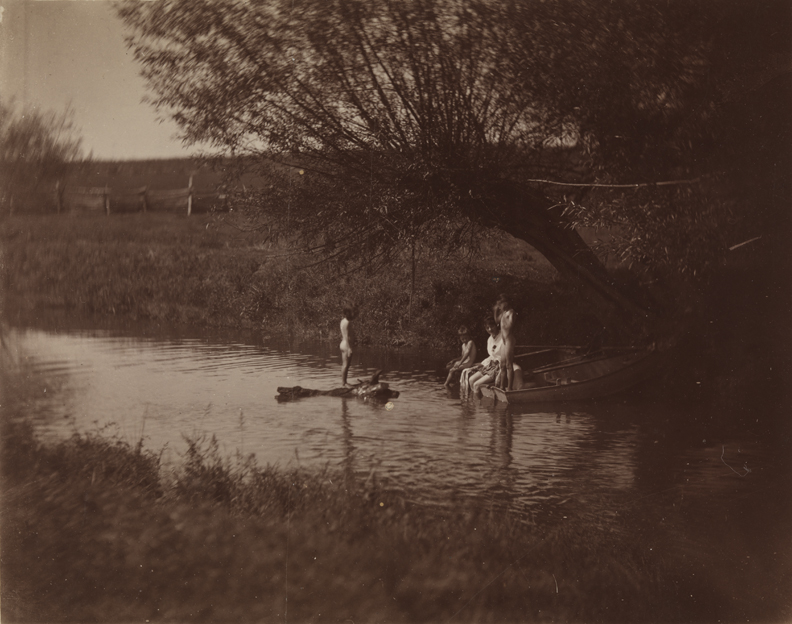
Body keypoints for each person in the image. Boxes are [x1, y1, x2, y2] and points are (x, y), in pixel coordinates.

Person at [463, 318, 502, 395]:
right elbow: (491, 355)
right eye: (487, 328)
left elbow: (504, 357)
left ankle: (477, 401)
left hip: (499, 366)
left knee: (476, 384)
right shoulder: (489, 339)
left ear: (497, 325)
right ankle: (477, 399)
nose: (490, 329)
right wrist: (482, 364)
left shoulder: (503, 337)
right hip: (490, 366)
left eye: (492, 326)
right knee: (471, 379)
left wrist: (501, 372)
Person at [493, 294, 517, 391]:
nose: (499, 307)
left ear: (506, 303)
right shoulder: (503, 313)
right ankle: (502, 386)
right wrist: (496, 311)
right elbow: (496, 321)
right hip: (503, 341)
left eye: (500, 304)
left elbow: (511, 324)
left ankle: (510, 388)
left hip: (509, 340)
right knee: (502, 365)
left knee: (508, 365)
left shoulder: (511, 312)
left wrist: (505, 318)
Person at [340, 304, 356, 387]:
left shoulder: (343, 321)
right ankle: (344, 383)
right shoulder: (348, 322)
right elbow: (346, 336)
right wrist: (349, 348)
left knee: (345, 364)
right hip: (346, 345)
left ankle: (344, 382)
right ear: (347, 313)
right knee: (346, 365)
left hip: (343, 344)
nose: (353, 314)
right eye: (351, 312)